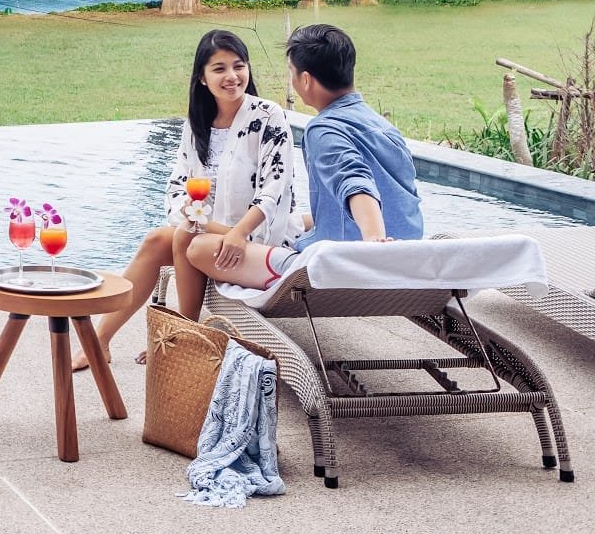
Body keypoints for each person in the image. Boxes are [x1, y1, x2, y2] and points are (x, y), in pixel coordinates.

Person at [76, 29, 301, 368]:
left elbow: (275, 188)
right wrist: (192, 214)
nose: (232, 76)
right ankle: (99, 343)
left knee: (185, 236)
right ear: (202, 78)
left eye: (239, 66)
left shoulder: (268, 115)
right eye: (219, 68)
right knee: (157, 240)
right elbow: (177, 188)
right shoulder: (198, 124)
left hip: (258, 238)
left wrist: (237, 233)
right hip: (210, 231)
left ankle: (184, 336)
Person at [181, 24, 423, 293]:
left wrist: (375, 244)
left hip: (340, 267)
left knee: (199, 247)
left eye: (291, 72)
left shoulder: (324, 130)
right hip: (408, 258)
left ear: (305, 80)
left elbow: (356, 183)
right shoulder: (384, 127)